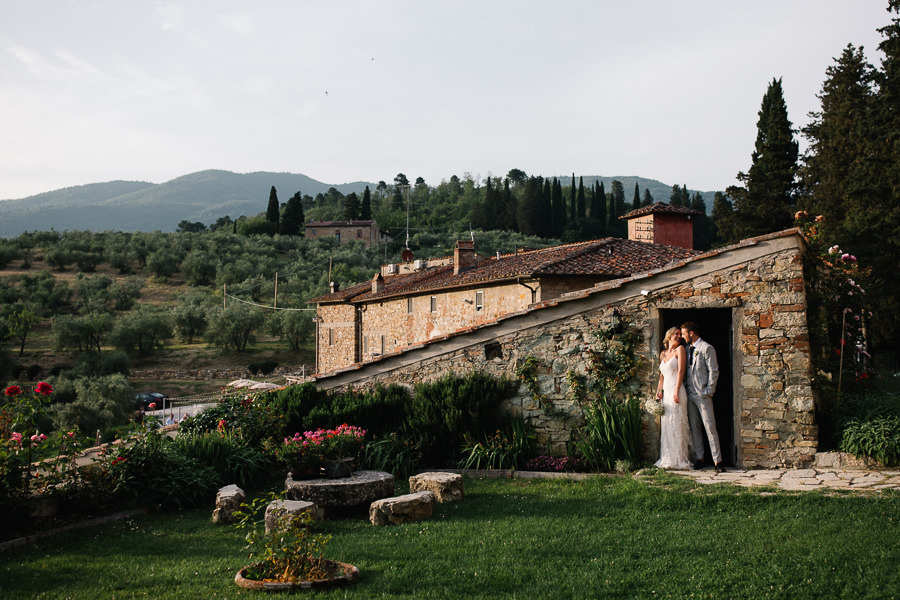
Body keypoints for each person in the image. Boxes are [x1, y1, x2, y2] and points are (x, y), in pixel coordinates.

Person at [680, 321, 724, 472]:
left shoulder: (707, 348)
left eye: (684, 333)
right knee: (695, 427)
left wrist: (709, 391)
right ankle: (700, 458)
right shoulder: (686, 349)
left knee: (710, 427)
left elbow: (714, 371)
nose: (682, 336)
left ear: (691, 333)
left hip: (703, 394)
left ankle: (718, 461)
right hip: (690, 394)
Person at [653, 327, 692, 469]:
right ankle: (667, 458)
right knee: (667, 424)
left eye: (679, 335)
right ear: (668, 336)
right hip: (666, 393)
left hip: (676, 390)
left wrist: (676, 390)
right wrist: (659, 391)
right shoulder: (663, 354)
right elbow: (661, 376)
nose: (678, 336)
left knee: (677, 424)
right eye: (675, 334)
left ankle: (679, 459)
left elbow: (681, 370)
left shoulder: (680, 350)